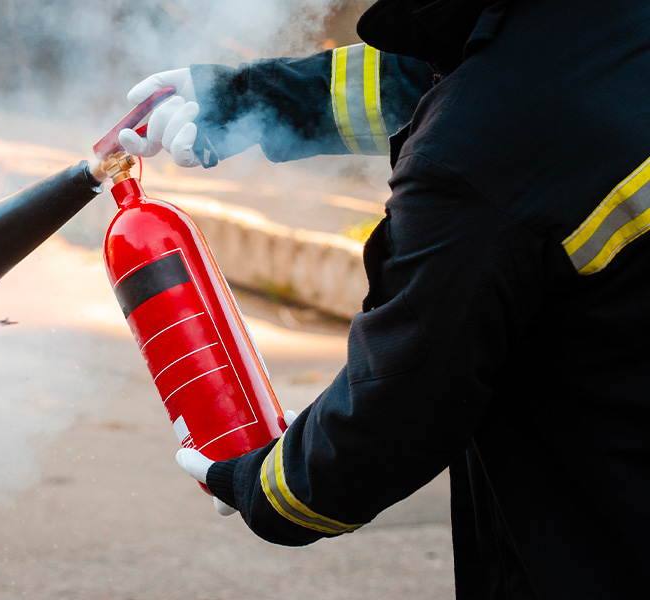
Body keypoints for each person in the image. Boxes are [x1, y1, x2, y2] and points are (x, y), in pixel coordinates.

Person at [119, 0, 650, 597]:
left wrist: (270, 484)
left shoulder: (480, 149)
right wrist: (245, 99)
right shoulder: (595, 28)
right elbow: (428, 72)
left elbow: (408, 396)